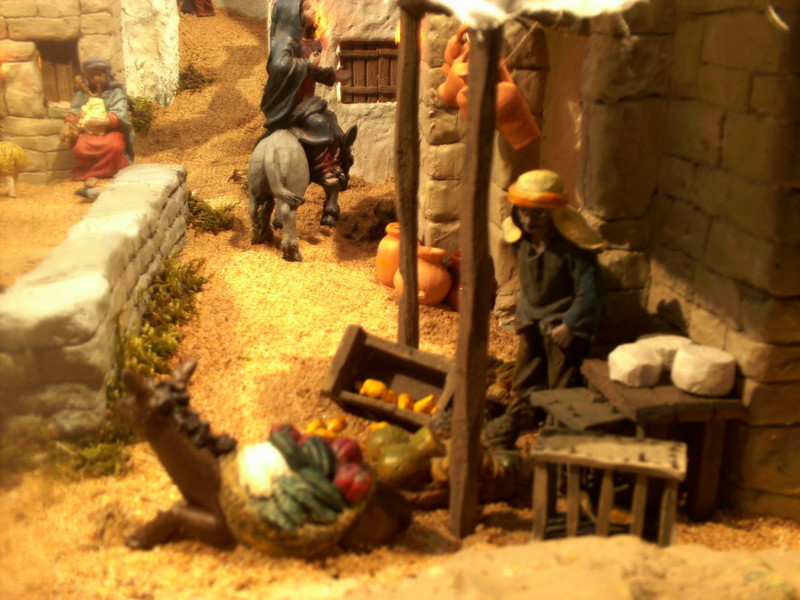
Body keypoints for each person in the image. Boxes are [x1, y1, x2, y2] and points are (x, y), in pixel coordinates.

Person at [502, 169, 605, 395]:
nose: (529, 221)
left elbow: (590, 292)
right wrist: (524, 312)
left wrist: (571, 325)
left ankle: (554, 415)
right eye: (524, 212)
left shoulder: (573, 250)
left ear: (555, 213)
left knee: (561, 382)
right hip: (530, 321)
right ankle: (525, 410)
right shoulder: (521, 241)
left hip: (560, 326)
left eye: (539, 214)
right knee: (524, 379)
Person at [259, 0, 352, 188]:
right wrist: (308, 64)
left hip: (306, 101)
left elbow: (311, 72)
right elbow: (279, 66)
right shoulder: (284, 42)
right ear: (294, 15)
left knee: (331, 119)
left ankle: (335, 161)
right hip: (289, 103)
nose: (314, 10)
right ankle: (321, 167)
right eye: (307, 8)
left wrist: (332, 75)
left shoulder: (305, 43)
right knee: (319, 122)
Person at [60, 57, 134, 182]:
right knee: (80, 148)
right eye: (92, 75)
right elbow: (74, 110)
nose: (96, 78)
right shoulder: (83, 94)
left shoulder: (116, 93)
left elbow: (120, 112)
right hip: (88, 132)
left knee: (114, 146)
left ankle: (111, 170)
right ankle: (91, 173)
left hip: (110, 131)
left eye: (99, 74)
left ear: (107, 75)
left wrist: (107, 121)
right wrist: (68, 123)